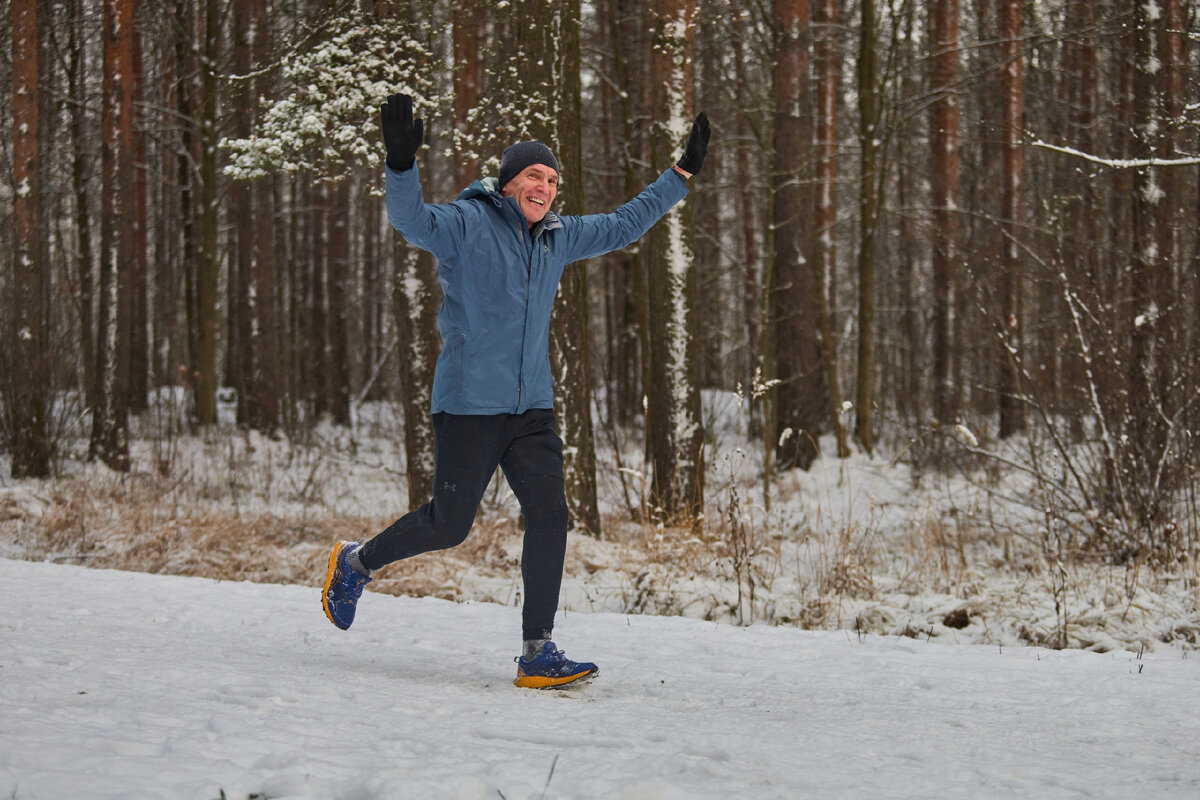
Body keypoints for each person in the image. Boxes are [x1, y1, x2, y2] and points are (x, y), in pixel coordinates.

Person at [323, 93, 710, 689]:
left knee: (551, 516)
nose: (546, 186)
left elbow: (625, 223)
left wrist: (679, 176)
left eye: (553, 180)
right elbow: (411, 221)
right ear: (508, 182)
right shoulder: (466, 223)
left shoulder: (557, 238)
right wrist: (400, 165)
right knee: (450, 524)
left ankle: (537, 651)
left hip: (531, 408)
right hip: (470, 406)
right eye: (535, 175)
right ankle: (356, 564)